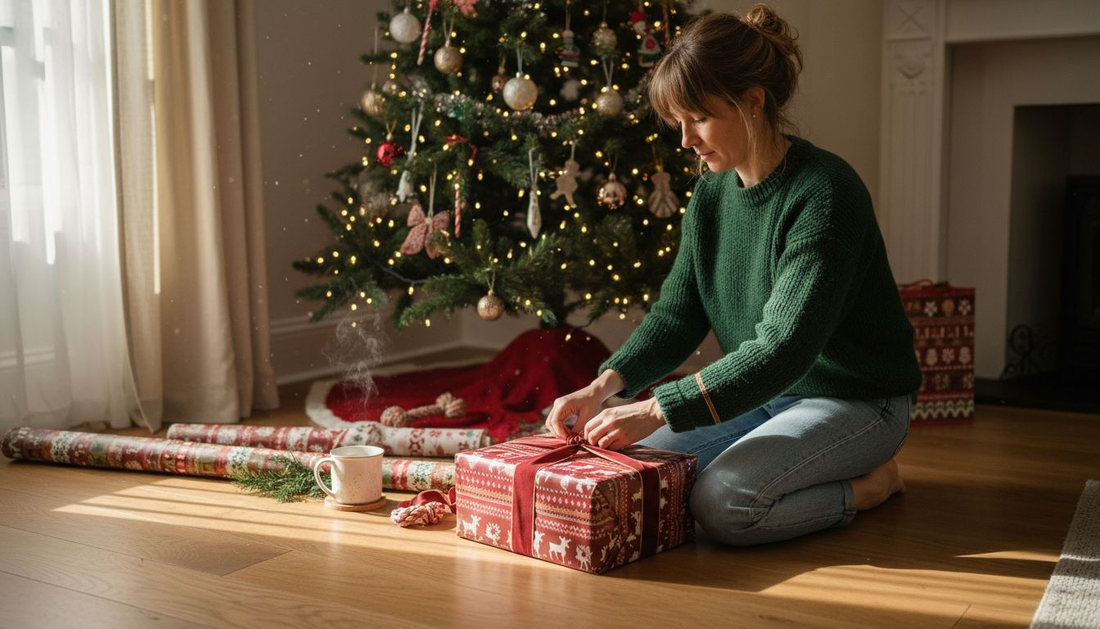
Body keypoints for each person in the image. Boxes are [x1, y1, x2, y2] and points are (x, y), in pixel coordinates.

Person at [545, 5, 922, 546]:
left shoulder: (826, 194)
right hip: (763, 394)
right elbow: (678, 314)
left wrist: (655, 408)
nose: (685, 141)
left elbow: (782, 349)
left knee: (723, 504)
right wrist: (601, 387)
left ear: (752, 101)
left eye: (697, 118)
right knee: (629, 466)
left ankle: (871, 487)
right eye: (677, 122)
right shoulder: (711, 195)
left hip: (857, 400)